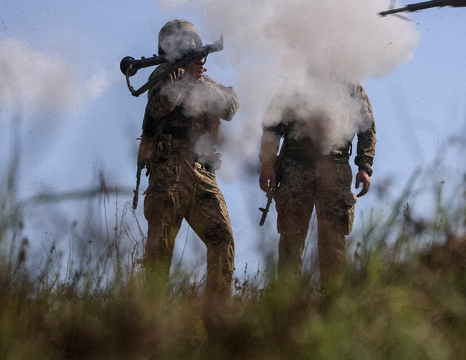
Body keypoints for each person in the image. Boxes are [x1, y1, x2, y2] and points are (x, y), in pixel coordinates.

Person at [139, 19, 239, 298]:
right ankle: (150, 323)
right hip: (168, 168)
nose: (192, 45)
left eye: (193, 40)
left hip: (202, 171)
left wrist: (200, 83)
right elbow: (158, 106)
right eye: (183, 41)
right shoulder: (163, 74)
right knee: (160, 250)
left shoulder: (205, 80)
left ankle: (215, 315)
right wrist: (184, 81)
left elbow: (230, 107)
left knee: (222, 239)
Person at [258, 73, 375, 288]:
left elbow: (366, 127)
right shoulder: (294, 84)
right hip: (295, 168)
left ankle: (331, 302)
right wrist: (267, 165)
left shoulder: (351, 87)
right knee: (291, 239)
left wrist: (364, 167)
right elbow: (272, 126)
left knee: (333, 242)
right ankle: (287, 303)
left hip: (336, 168)